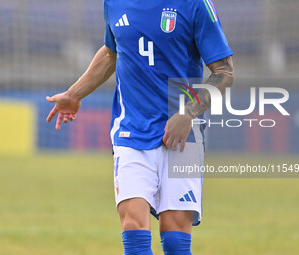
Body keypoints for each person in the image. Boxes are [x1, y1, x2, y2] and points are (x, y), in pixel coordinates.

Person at [46, 0, 234, 254]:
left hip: (182, 136)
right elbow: (111, 52)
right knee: (134, 229)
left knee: (176, 242)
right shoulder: (113, 3)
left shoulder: (195, 4)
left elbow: (224, 72)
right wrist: (75, 93)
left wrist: (188, 113)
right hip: (131, 132)